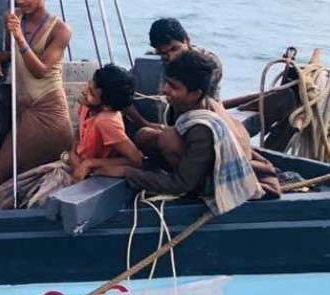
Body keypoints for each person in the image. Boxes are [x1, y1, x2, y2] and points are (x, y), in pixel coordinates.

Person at [94, 51, 276, 212]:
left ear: (195, 94)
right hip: (199, 164)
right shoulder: (189, 106)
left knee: (166, 138)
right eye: (166, 82)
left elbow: (179, 184)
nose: (164, 89)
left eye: (172, 86)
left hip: (210, 183)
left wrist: (127, 172)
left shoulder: (202, 128)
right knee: (145, 135)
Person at [0, 0, 75, 207]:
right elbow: (16, 54)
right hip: (23, 111)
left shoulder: (60, 30)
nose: (20, 1)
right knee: (11, 179)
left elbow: (41, 69)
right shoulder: (16, 20)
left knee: (0, 175)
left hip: (47, 113)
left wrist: (18, 36)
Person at [0, 64, 143, 210]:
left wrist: (89, 164)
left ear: (106, 106)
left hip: (88, 177)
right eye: (88, 86)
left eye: (92, 93)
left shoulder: (106, 122)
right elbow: (77, 136)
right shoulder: (86, 106)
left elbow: (135, 159)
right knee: (3, 195)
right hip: (70, 164)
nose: (84, 92)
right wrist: (72, 154)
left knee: (36, 207)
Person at [149, 18, 222, 100]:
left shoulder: (208, 62)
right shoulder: (150, 60)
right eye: (163, 53)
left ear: (187, 41)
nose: (172, 57)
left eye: (175, 49)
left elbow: (204, 99)